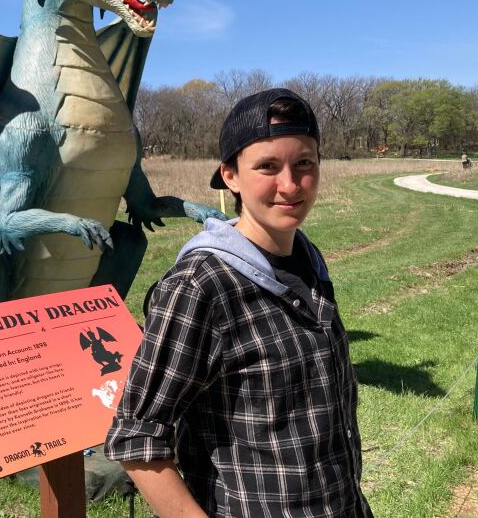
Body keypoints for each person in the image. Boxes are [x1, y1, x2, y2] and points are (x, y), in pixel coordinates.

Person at [104, 88, 372, 516]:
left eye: (304, 163)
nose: (290, 184)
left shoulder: (306, 257)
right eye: (267, 166)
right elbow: (136, 437)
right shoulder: (199, 287)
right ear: (230, 175)